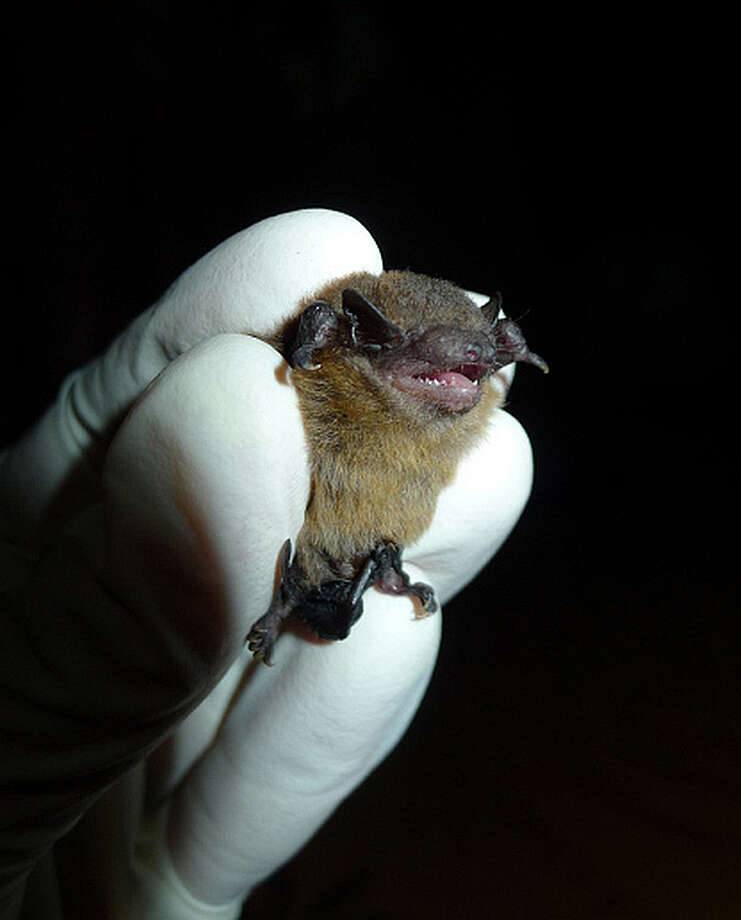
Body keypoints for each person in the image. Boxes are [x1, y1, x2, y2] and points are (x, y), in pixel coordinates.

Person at [0, 209, 533, 918]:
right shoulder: (325, 359)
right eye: (437, 363)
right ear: (355, 338)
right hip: (289, 506)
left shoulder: (459, 426)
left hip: (351, 547)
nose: (462, 380)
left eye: (478, 364)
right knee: (235, 463)